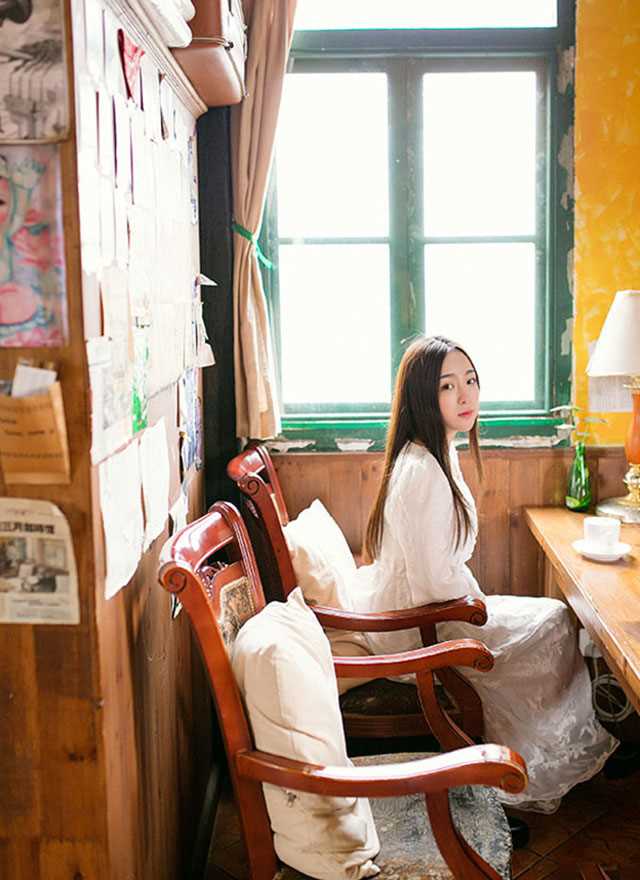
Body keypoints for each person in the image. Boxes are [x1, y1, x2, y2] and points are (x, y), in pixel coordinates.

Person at [351, 334, 618, 813]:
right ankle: (528, 763)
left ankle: (537, 750)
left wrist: (478, 601)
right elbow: (434, 583)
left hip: (431, 607)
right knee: (557, 621)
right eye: (447, 386)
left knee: (551, 616)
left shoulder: (433, 451)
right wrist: (481, 607)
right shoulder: (424, 470)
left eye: (470, 380)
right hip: (421, 626)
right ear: (421, 396)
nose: (465, 395)